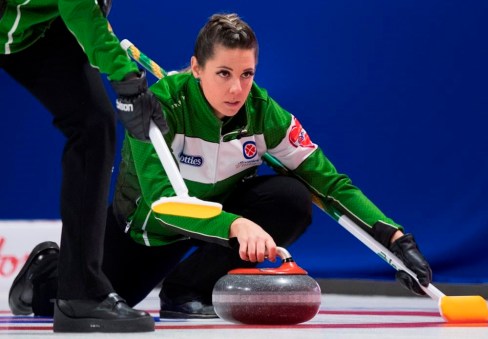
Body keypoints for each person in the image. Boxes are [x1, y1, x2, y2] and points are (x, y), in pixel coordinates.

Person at [8, 12, 432, 321]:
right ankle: (46, 267)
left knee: (291, 198)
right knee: (61, 297)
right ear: (196, 68)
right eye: (224, 73)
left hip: (214, 218)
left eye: (247, 74)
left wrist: (394, 238)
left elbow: (330, 182)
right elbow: (160, 204)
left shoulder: (264, 113)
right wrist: (233, 226)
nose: (236, 89)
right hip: (148, 233)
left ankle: (188, 290)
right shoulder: (159, 108)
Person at [1, 0, 168, 333]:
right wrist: (125, 77)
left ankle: (81, 293)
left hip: (39, 26)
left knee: (94, 125)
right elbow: (79, 8)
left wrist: (127, 79)